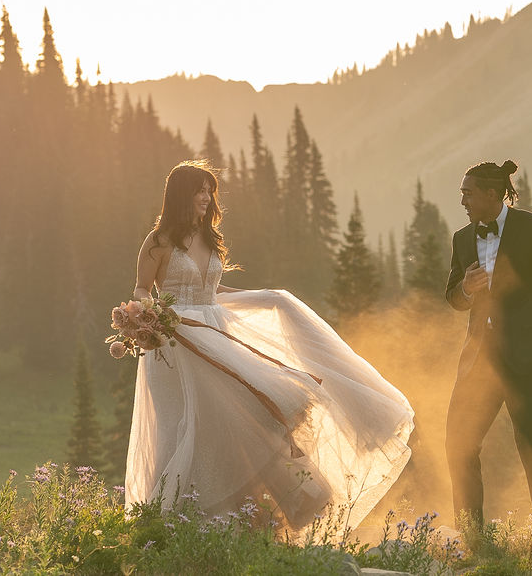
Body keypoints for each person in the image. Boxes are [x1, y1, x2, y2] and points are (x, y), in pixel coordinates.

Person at [125, 160, 414, 536]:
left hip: (216, 334)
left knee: (248, 413)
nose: (206, 197)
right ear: (181, 194)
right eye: (199, 190)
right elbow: (142, 288)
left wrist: (265, 298)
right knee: (185, 427)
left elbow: (212, 293)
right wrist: (150, 316)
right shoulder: (159, 241)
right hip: (175, 345)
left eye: (209, 190)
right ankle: (176, 525)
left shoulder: (210, 238)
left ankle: (259, 517)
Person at [443, 160, 532, 532]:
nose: (462, 200)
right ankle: (471, 538)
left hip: (525, 361)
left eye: (468, 192)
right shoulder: (462, 239)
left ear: (492, 194)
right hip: (477, 364)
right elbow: (453, 298)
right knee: (458, 446)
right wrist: (466, 288)